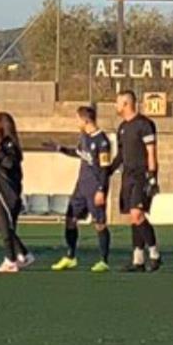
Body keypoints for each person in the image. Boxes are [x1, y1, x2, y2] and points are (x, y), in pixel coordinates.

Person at [49, 106, 112, 273]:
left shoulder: (102, 141)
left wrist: (101, 190)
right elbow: (78, 153)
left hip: (94, 188)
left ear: (85, 120)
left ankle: (104, 260)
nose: (76, 123)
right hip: (81, 187)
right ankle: (70, 257)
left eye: (77, 119)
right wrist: (60, 149)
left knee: (99, 224)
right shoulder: (84, 137)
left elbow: (105, 168)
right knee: (70, 219)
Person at [111, 90, 161, 272]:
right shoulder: (122, 127)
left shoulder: (145, 124)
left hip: (142, 175)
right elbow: (121, 155)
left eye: (117, 103)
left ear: (126, 104)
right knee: (133, 217)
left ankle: (154, 253)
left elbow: (151, 153)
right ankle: (138, 260)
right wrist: (107, 170)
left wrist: (152, 176)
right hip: (128, 176)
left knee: (137, 214)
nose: (115, 106)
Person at [0, 112, 34, 273]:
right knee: (1, 223)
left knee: (4, 223)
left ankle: (10, 259)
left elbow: (9, 163)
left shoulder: (9, 144)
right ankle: (23, 253)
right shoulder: (0, 142)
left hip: (6, 189)